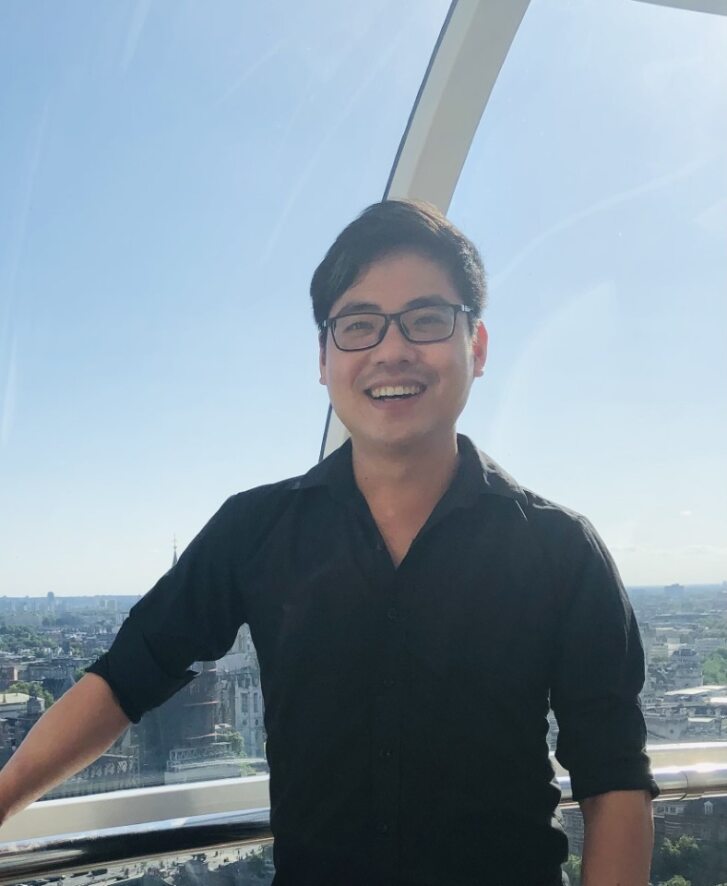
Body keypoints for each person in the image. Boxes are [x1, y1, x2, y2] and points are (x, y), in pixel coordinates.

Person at [0, 200, 657, 885]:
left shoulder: (560, 550)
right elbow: (125, 677)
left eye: (426, 319)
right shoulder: (254, 530)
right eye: (358, 325)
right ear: (323, 358)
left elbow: (613, 779)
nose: (391, 350)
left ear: (478, 346)